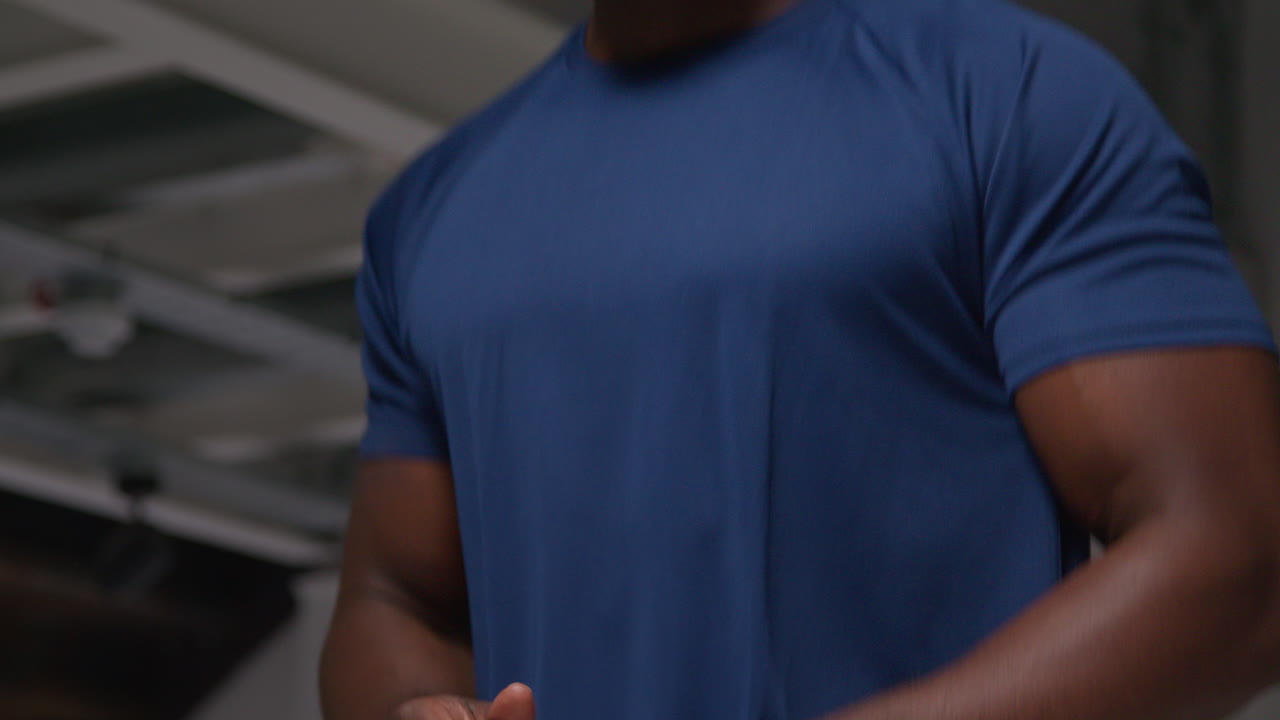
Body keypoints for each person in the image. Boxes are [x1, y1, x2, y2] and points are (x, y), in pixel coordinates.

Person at [320, 0, 1280, 718]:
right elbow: (394, 600)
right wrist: (414, 709)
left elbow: (1240, 558)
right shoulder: (431, 213)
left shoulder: (1010, 93)